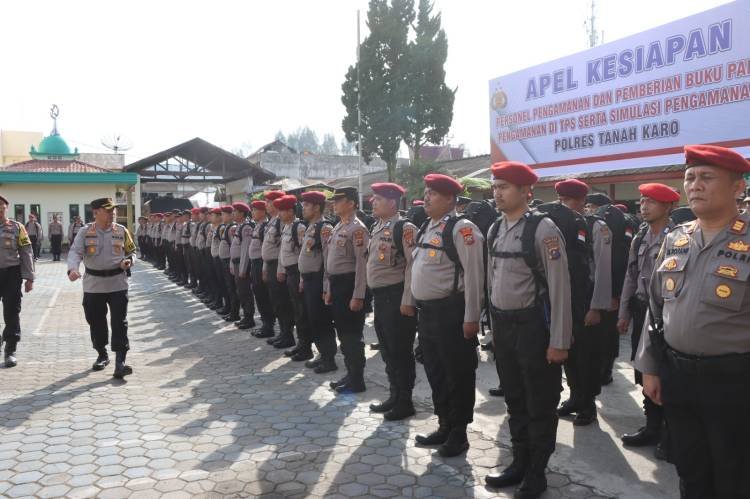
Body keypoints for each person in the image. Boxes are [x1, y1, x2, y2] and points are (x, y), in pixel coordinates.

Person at [637, 144, 750, 498]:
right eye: (690, 177)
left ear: (738, 187)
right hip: (678, 376)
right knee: (689, 468)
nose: (695, 185)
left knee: (735, 473)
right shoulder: (676, 238)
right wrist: (650, 368)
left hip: (735, 382)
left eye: (706, 177)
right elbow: (655, 310)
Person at [485, 162, 571, 498]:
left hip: (535, 329)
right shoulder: (495, 228)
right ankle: (519, 461)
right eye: (495, 187)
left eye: (504, 187)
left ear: (525, 191)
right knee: (515, 399)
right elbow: (492, 283)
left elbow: (561, 288)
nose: (497, 193)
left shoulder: (544, 229)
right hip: (504, 328)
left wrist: (560, 341)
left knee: (540, 403)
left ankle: (537, 472)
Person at [411, 174, 484, 458]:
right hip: (427, 314)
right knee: (436, 372)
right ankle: (444, 424)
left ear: (451, 199)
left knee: (458, 374)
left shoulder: (462, 229)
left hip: (452, 314)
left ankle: (459, 433)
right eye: (426, 192)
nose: (426, 197)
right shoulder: (427, 227)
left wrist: (472, 317)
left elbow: (476, 277)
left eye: (434, 193)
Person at [617, 183, 679, 458]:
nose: (644, 206)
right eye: (642, 201)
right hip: (643, 311)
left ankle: (671, 434)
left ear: (668, 206)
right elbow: (631, 276)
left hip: (669, 315)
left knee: (668, 374)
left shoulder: (678, 237)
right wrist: (623, 313)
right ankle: (652, 426)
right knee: (644, 371)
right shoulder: (640, 237)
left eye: (651, 201)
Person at [555, 179, 612, 426]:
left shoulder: (597, 227)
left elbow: (603, 269)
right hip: (565, 299)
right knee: (569, 353)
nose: (562, 205)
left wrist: (596, 306)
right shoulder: (557, 225)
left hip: (586, 300)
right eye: (560, 201)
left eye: (567, 201)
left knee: (587, 357)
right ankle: (575, 396)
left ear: (581, 202)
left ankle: (587, 404)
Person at [67, 197, 136, 379]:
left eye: (113, 210)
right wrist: (73, 269)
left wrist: (129, 261)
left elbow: (131, 251)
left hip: (117, 283)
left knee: (119, 322)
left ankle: (120, 361)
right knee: (95, 320)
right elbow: (75, 252)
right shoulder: (84, 232)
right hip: (94, 284)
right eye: (108, 210)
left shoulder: (121, 231)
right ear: (96, 212)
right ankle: (102, 353)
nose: (113, 213)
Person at [366, 182, 419, 421]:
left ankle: (405, 401)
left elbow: (412, 266)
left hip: (396, 297)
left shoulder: (404, 228)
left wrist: (408, 299)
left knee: (400, 351)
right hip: (381, 298)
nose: (373, 202)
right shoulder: (378, 227)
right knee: (387, 350)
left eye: (377, 199)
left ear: (392, 203)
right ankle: (394, 394)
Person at [324, 186, 370, 394]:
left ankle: (357, 379)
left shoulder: (357, 229)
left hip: (350, 285)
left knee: (352, 334)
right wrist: (328, 288)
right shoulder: (338, 227)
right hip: (337, 285)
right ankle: (350, 373)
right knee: (343, 333)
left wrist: (358, 295)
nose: (334, 204)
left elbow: (362, 265)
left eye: (338, 200)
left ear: (351, 203)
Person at [297, 191, 337, 373]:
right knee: (313, 319)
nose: (303, 208)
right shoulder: (310, 226)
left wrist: (326, 286)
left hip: (319, 281)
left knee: (322, 320)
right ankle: (322, 354)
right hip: (308, 280)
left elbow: (328, 260)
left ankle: (329, 359)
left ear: (316, 207)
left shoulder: (325, 227)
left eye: (306, 205)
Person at [276, 194, 313, 360]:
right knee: (295, 310)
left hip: (297, 273)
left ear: (291, 211)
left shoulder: (298, 228)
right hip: (289, 272)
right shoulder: (286, 226)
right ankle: (300, 343)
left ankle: (306, 347)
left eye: (282, 211)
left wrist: (301, 279)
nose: (279, 214)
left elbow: (303, 255)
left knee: (301, 311)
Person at [0, 194, 35, 368]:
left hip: (11, 274)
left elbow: (26, 252)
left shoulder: (17, 227)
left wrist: (29, 277)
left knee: (11, 311)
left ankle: (10, 349)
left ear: (7, 208)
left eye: (1, 206)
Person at [262, 191, 295, 348]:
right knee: (276, 301)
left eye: (269, 202)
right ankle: (282, 332)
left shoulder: (281, 222)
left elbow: (283, 247)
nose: (266, 205)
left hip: (278, 264)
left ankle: (287, 334)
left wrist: (280, 268)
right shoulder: (272, 222)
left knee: (282, 302)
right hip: (271, 264)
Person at [248, 200, 276, 338]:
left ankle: (268, 325)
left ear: (263, 212)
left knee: (264, 296)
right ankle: (265, 323)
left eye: (255, 210)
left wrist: (264, 267)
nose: (252, 212)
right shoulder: (259, 226)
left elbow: (268, 249)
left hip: (262, 263)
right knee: (258, 295)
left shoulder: (265, 226)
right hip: (256, 263)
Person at [231, 202, 256, 330]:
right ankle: (245, 317)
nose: (233, 213)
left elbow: (245, 250)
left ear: (241, 213)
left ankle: (249, 318)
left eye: (235, 211)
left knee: (245, 292)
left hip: (242, 265)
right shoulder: (239, 227)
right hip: (236, 264)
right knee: (240, 292)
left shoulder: (246, 228)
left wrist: (242, 269)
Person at [218, 205, 240, 322]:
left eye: (224, 214)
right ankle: (230, 308)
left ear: (230, 215)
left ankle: (234, 312)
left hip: (230, 262)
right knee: (228, 287)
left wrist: (231, 263)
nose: (222, 216)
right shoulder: (226, 227)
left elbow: (233, 248)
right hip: (224, 261)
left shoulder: (232, 228)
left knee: (232, 288)